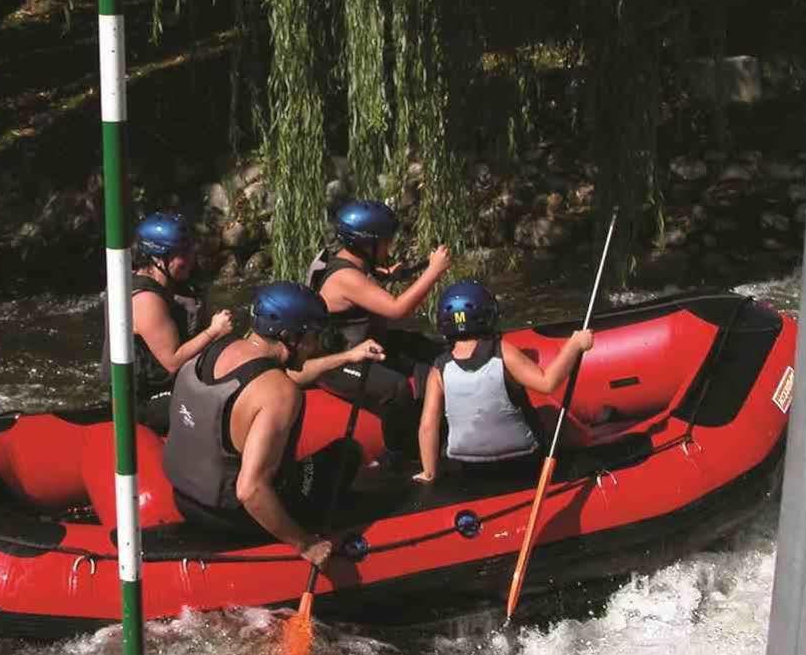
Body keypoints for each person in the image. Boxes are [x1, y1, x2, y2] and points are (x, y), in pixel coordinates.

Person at [163, 281, 387, 565]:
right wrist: (305, 544)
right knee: (346, 453)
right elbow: (250, 489)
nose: (316, 345)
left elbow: (274, 378)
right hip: (232, 518)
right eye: (313, 336)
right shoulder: (280, 393)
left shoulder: (215, 349)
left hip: (183, 499)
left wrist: (348, 357)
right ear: (290, 337)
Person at [411, 281, 595, 485]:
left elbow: (428, 426)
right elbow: (548, 383)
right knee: (549, 413)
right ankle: (593, 447)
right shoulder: (503, 352)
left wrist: (429, 473)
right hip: (522, 460)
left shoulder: (439, 368)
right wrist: (575, 344)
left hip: (468, 467)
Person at [305, 198, 452, 432]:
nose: (389, 249)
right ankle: (402, 449)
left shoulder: (345, 260)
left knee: (434, 351)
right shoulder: (345, 278)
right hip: (337, 362)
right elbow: (397, 310)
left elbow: (367, 278)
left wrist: (389, 275)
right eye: (385, 243)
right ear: (367, 244)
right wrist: (434, 271)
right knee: (397, 387)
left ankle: (431, 420)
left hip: (367, 346)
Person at [104, 212, 233, 432]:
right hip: (142, 402)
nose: (190, 259)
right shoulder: (145, 299)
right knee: (222, 409)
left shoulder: (174, 283)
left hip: (169, 382)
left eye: (190, 250)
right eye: (182, 253)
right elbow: (172, 361)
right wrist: (214, 331)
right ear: (157, 258)